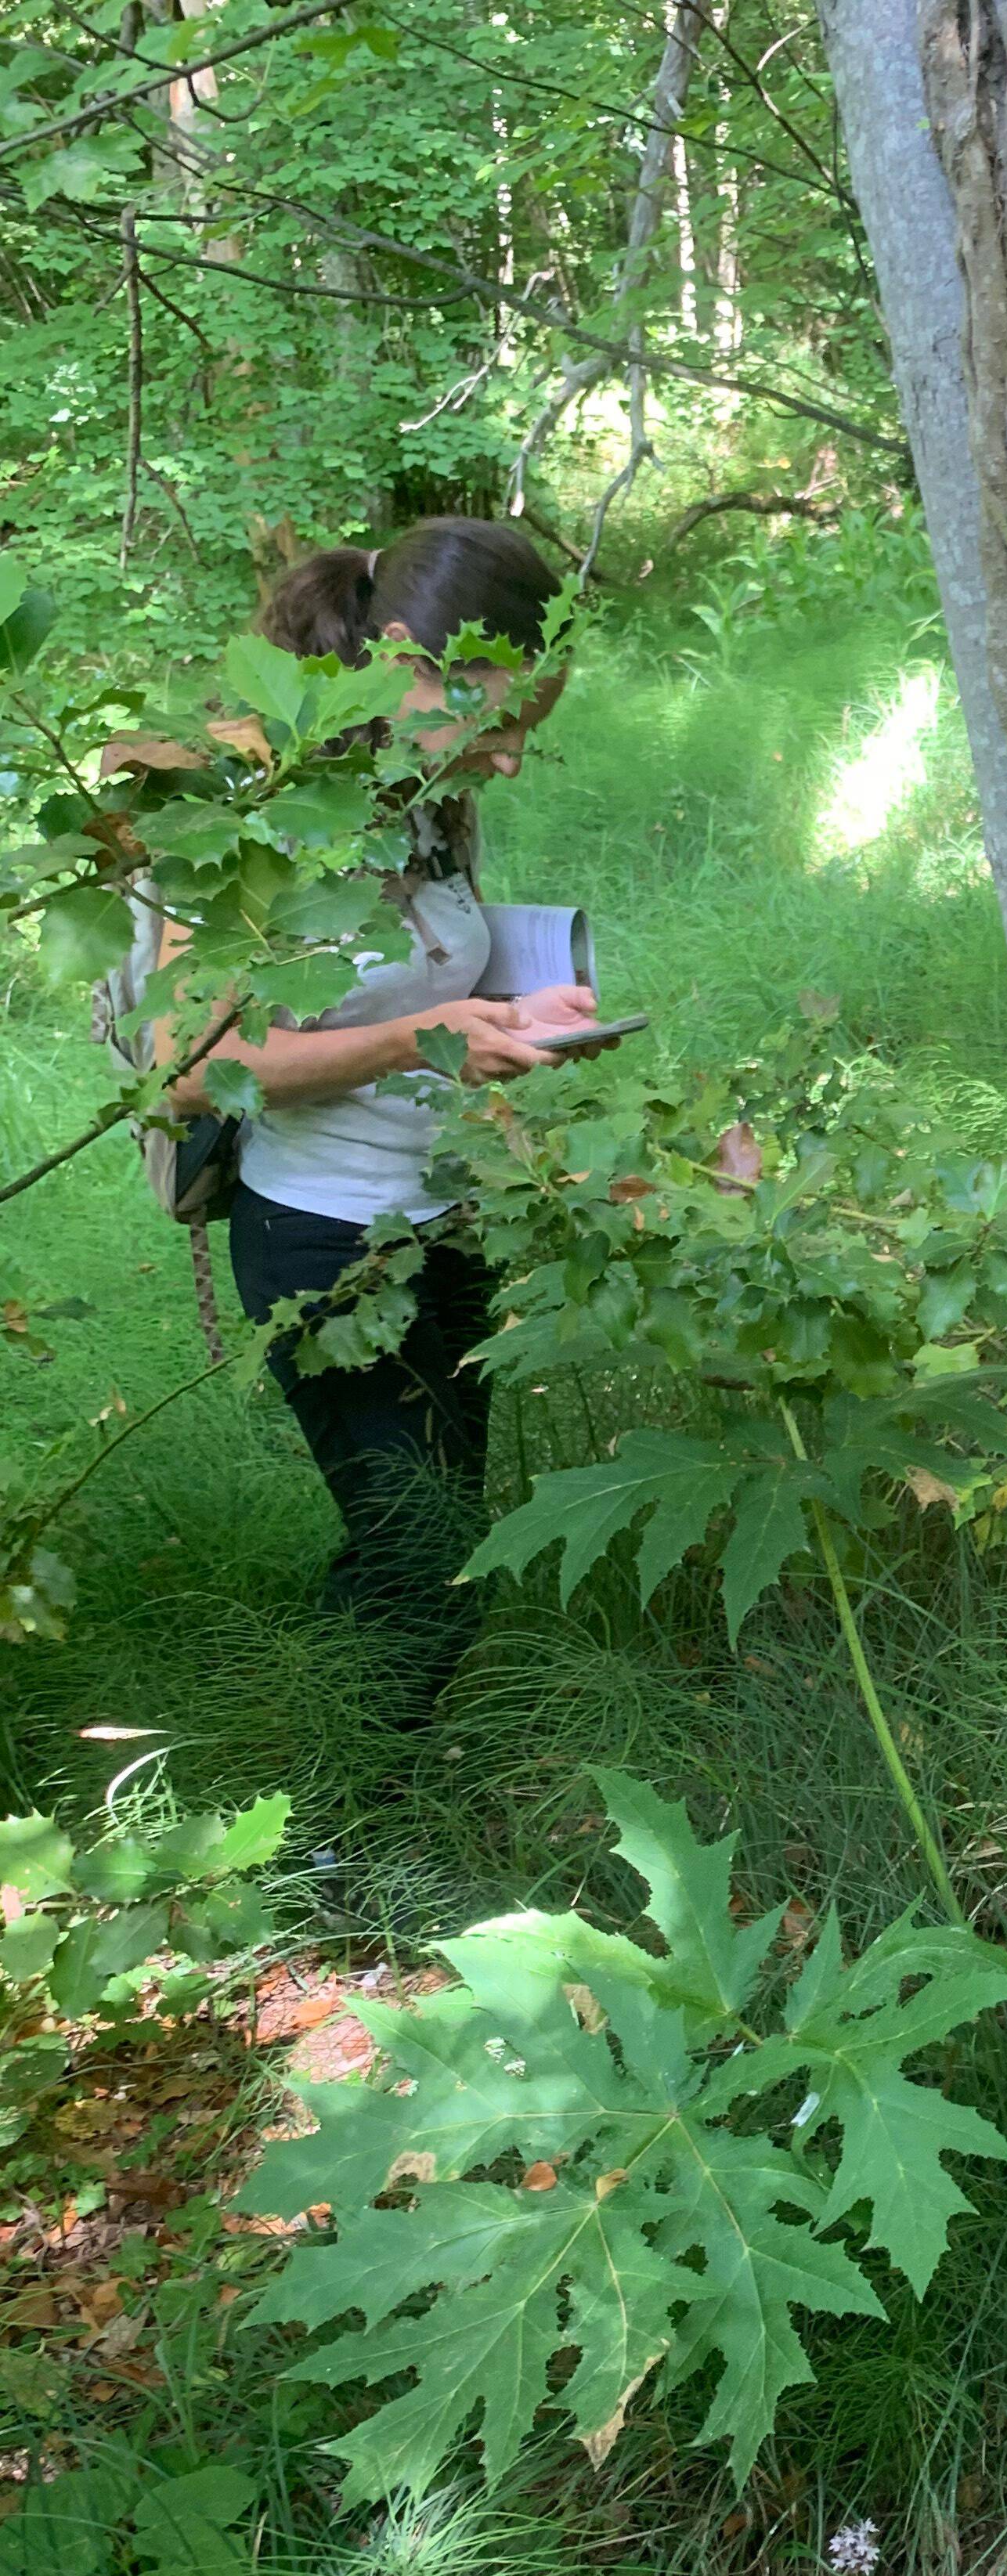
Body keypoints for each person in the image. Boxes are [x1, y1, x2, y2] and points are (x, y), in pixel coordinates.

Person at [153, 516, 595, 1711]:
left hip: (443, 1222)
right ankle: (341, 1850)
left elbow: (417, 961)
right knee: (425, 1561)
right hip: (325, 1243)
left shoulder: (422, 786)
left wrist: (515, 1005)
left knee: (429, 1539)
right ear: (405, 660)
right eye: (498, 721)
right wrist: (419, 1041)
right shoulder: (257, 799)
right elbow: (196, 1068)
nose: (507, 758)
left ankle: (367, 1777)